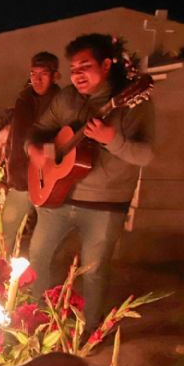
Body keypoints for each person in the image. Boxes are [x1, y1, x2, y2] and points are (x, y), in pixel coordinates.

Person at [27, 33, 155, 333]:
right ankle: (35, 316)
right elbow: (40, 129)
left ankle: (90, 330)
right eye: (73, 68)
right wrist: (36, 151)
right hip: (58, 194)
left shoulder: (132, 102)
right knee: (38, 254)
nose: (77, 74)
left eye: (85, 66)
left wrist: (114, 140)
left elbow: (148, 154)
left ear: (107, 64)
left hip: (106, 203)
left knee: (94, 269)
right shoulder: (66, 98)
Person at [0, 52, 61, 252]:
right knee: (5, 234)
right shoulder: (23, 100)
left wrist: (45, 152)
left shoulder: (62, 102)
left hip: (47, 180)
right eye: (33, 74)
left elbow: (65, 139)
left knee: (44, 241)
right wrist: (6, 177)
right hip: (20, 180)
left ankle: (37, 278)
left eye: (44, 74)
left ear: (56, 75)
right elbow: (18, 140)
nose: (37, 79)